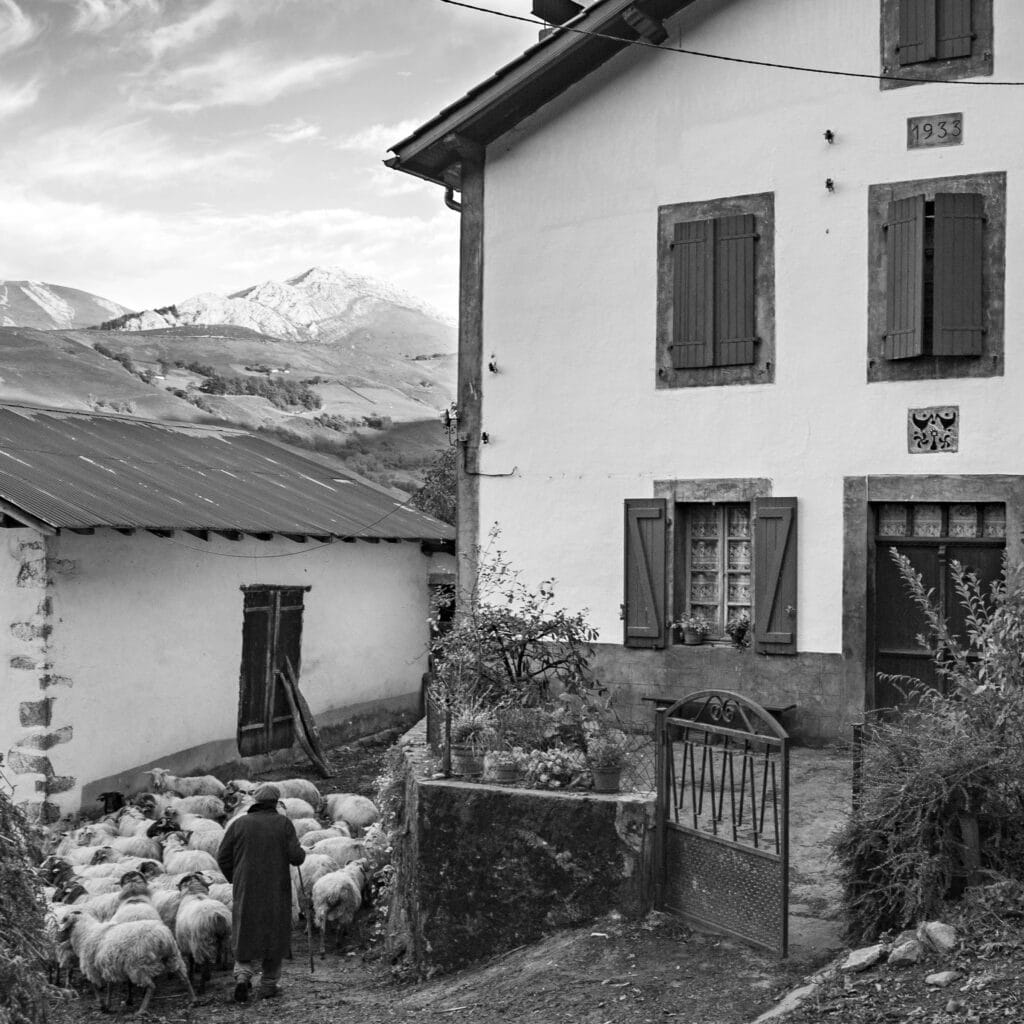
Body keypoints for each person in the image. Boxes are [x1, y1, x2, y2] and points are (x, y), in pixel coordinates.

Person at [216, 782, 305, 1002]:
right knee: (274, 933)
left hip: (246, 887)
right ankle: (268, 985)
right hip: (276, 889)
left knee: (245, 930)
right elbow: (296, 857)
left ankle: (242, 978)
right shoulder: (283, 824)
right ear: (275, 802)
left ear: (255, 801)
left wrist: (235, 879)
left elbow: (222, 857)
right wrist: (300, 851)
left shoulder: (239, 824)